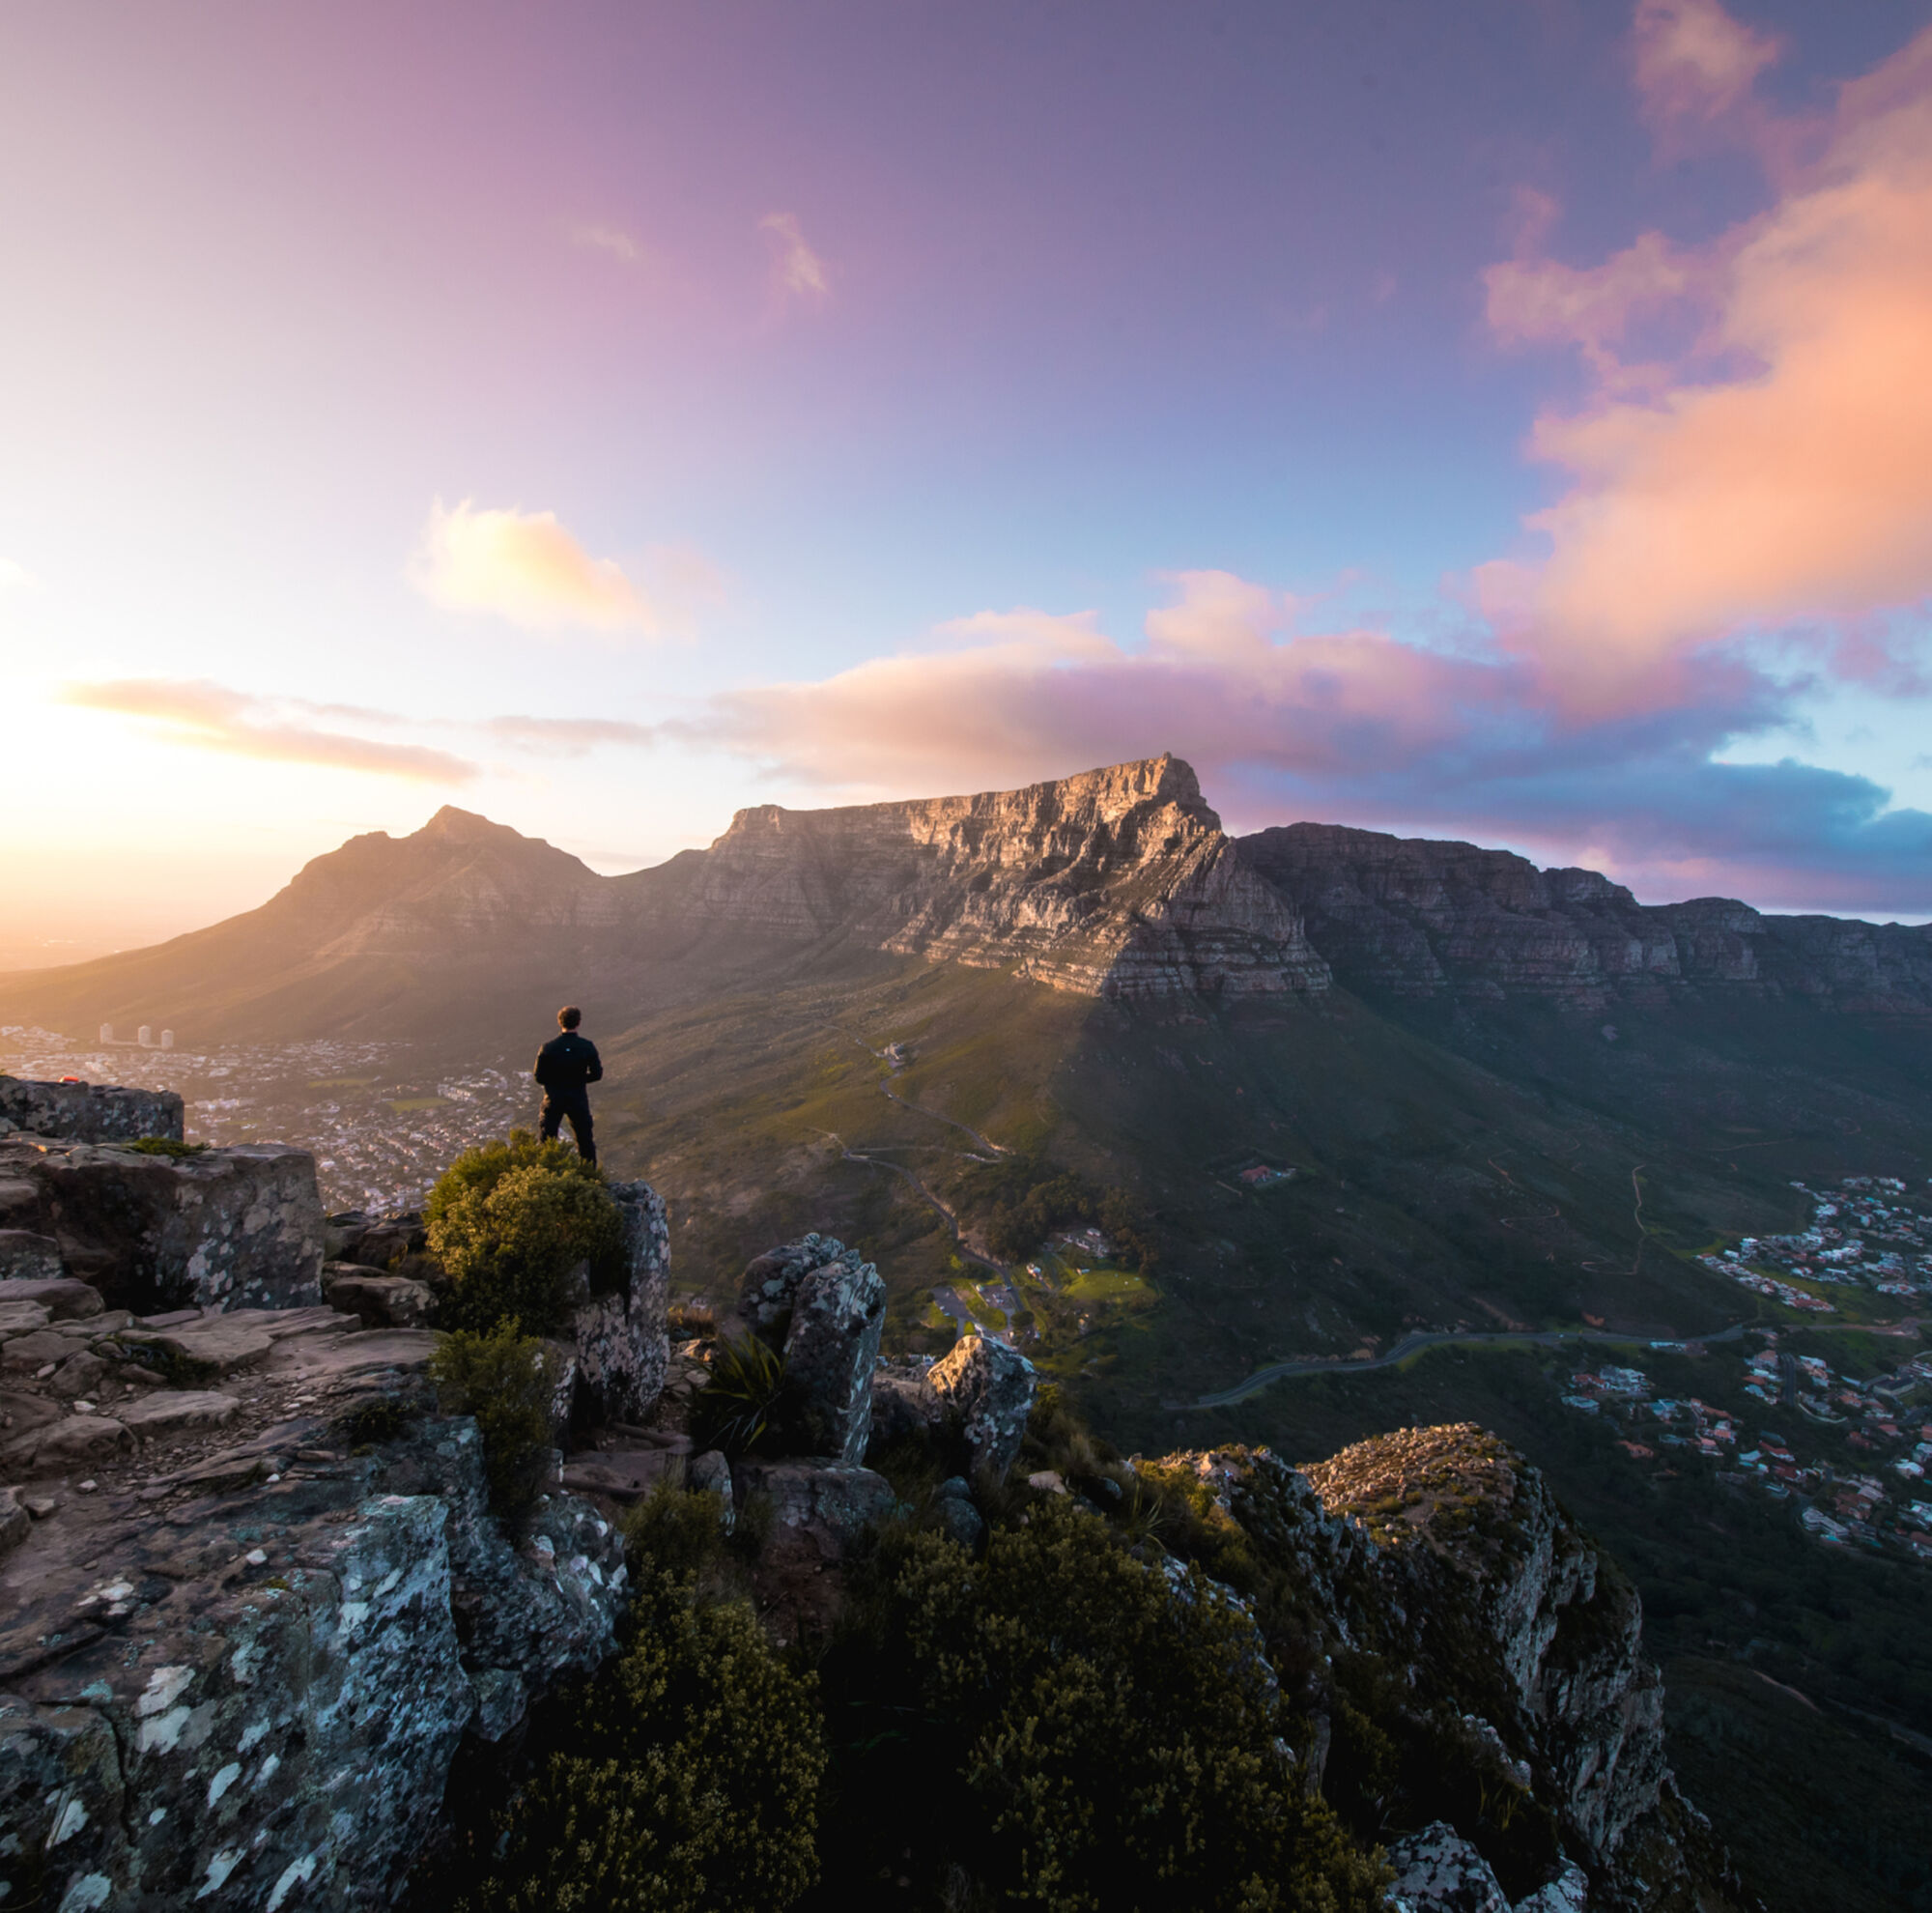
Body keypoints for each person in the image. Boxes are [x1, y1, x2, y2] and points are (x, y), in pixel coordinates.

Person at [534, 1005, 602, 1163]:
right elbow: (597, 1074)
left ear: (560, 1022)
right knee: (584, 1139)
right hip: (577, 1098)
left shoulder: (548, 1048)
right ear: (578, 1022)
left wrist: (557, 1081)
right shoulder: (587, 1046)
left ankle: (547, 1173)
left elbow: (539, 1077)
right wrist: (577, 1079)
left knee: (548, 1139)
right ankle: (589, 1176)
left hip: (553, 1099)